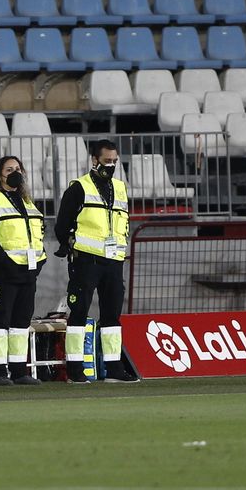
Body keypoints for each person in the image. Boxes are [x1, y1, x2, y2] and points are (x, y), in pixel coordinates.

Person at [54, 138, 138, 382]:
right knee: (79, 312)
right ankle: (75, 368)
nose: (110, 165)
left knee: (112, 315)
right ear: (94, 160)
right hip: (86, 260)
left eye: (114, 161)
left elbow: (124, 222)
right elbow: (62, 225)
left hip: (113, 261)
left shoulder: (120, 188)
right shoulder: (79, 187)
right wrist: (71, 245)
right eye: (106, 161)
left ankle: (113, 368)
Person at [0, 155, 45, 384]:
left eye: (18, 168)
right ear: (0, 175)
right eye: (9, 169)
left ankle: (19, 371)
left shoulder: (27, 202)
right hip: (3, 273)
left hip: (27, 273)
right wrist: (5, 262)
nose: (15, 172)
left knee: (21, 321)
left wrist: (39, 262)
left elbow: (38, 235)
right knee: (1, 321)